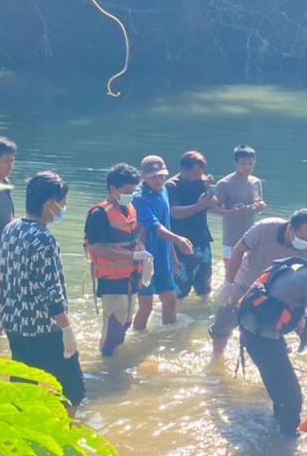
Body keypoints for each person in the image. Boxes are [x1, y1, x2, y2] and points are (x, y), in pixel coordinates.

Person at [236, 230, 307, 437]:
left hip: (250, 333)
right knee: (294, 397)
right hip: (263, 339)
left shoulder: (292, 266)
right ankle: (287, 444)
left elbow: (298, 323)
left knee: (279, 390)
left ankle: (277, 427)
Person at [0, 171, 84, 415]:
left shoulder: (11, 229)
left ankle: (19, 444)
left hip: (15, 325)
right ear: (50, 204)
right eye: (63, 203)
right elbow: (50, 291)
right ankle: (63, 442)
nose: (63, 208)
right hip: (43, 329)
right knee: (71, 390)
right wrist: (67, 329)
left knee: (24, 387)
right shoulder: (42, 238)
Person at [210, 209, 307, 355]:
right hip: (244, 284)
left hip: (272, 293)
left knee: (282, 330)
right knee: (222, 327)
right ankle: (217, 360)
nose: (306, 241)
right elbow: (238, 250)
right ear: (291, 228)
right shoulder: (266, 228)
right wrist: (228, 284)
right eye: (302, 236)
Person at [84, 163, 151, 356]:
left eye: (133, 190)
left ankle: (114, 358)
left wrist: (143, 253)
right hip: (111, 280)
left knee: (126, 322)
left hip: (130, 276)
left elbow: (135, 237)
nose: (131, 194)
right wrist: (133, 256)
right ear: (113, 189)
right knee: (114, 324)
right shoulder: (98, 214)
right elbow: (98, 248)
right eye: (127, 190)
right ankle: (106, 363)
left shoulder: (129, 208)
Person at [132, 155, 194, 330]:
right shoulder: (139, 198)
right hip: (145, 259)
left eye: (161, 175)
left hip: (163, 256)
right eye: (153, 176)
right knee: (146, 306)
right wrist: (178, 239)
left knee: (170, 300)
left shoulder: (164, 190)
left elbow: (166, 223)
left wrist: (172, 254)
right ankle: (137, 338)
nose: (158, 179)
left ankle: (168, 338)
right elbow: (155, 226)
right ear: (143, 176)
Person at [166, 151, 217, 300]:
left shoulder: (202, 182)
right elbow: (174, 212)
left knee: (205, 286)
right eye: (195, 173)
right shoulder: (171, 185)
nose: (199, 176)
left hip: (202, 240)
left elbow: (215, 206)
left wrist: (210, 190)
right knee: (180, 290)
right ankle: (176, 319)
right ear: (184, 170)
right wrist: (198, 206)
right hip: (182, 243)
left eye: (201, 172)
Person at [214, 145, 266, 272]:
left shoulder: (256, 182)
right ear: (235, 163)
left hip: (251, 236)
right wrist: (233, 211)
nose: (247, 167)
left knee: (250, 273)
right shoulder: (224, 184)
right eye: (243, 163)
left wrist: (261, 207)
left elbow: (259, 205)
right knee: (230, 275)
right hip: (231, 237)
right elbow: (214, 209)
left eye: (250, 163)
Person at [0, 136, 16, 338]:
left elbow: (9, 218)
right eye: (6, 161)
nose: (11, 165)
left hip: (3, 260)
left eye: (12, 161)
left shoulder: (4, 183)